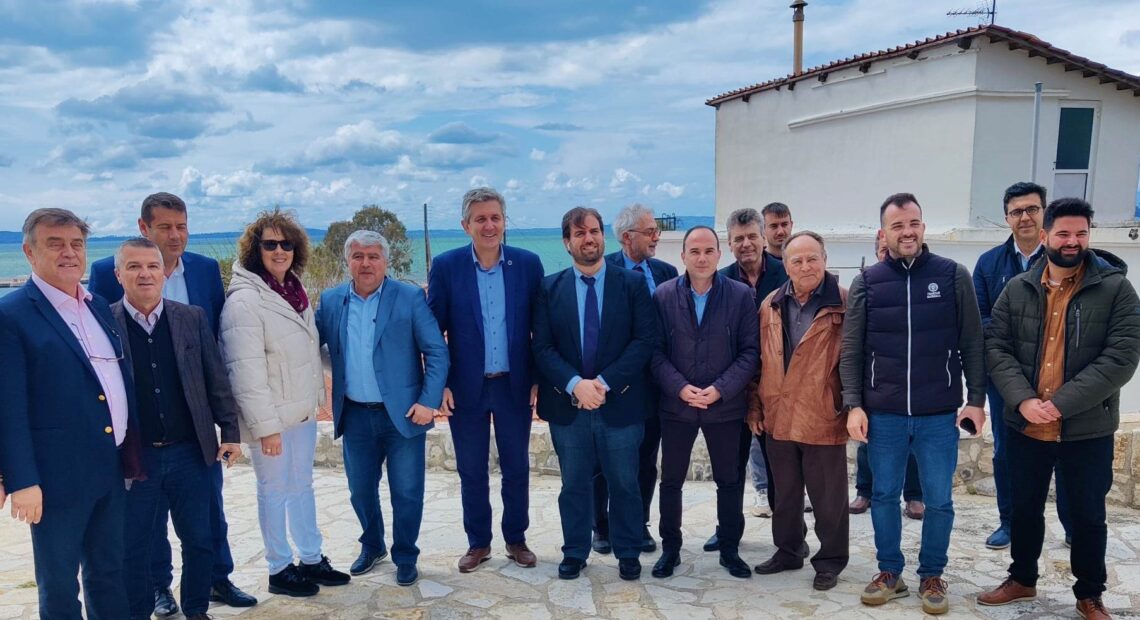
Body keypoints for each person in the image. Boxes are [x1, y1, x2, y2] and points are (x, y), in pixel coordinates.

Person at [88, 192, 253, 613]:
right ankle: (150, 601)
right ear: (119, 274)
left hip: (191, 450)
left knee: (201, 536)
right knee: (138, 543)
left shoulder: (191, 315)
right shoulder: (104, 323)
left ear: (164, 271)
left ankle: (198, 607)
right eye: (134, 267)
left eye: (152, 267)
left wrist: (229, 431)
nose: (145, 274)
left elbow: (215, 377)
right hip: (135, 453)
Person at [977, 198, 1140, 620]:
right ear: (1045, 234)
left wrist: (1058, 405)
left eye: (1081, 233)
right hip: (1026, 425)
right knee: (1024, 508)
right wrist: (1024, 401)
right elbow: (996, 347)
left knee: (1087, 515)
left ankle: (1090, 594)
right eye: (1064, 233)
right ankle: (1022, 579)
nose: (1073, 241)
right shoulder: (1018, 288)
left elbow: (1121, 357)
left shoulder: (1117, 289)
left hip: (1087, 428)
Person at [841, 193, 987, 615]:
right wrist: (854, 404)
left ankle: (932, 575)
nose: (907, 232)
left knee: (939, 500)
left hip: (937, 414)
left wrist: (976, 400)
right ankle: (890, 572)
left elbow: (973, 342)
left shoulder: (952, 275)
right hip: (883, 413)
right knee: (884, 495)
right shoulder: (867, 282)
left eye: (914, 223)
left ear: (923, 226)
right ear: (883, 233)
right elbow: (851, 350)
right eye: (898, 226)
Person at [0, 208, 143, 619]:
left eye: (76, 244)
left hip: (109, 467)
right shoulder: (11, 316)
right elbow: (8, 406)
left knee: (109, 573)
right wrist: (22, 481)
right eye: (55, 243)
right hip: (55, 478)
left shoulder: (98, 307)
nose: (69, 252)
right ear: (29, 252)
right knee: (60, 584)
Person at [220, 209, 350, 597]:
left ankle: (311, 558)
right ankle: (279, 568)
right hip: (272, 419)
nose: (280, 251)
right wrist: (266, 428)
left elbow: (307, 349)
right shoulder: (245, 300)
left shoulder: (292, 290)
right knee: (273, 490)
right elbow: (244, 371)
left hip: (301, 412)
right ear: (254, 249)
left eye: (287, 243)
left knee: (301, 486)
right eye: (270, 244)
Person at [532, 206, 659, 581]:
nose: (588, 238)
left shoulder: (632, 284)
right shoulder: (548, 288)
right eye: (579, 233)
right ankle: (574, 551)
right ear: (566, 242)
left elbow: (644, 340)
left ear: (603, 236)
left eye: (594, 231)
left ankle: (628, 551)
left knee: (625, 483)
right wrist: (576, 384)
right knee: (573, 485)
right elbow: (542, 347)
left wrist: (602, 383)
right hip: (568, 406)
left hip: (620, 402)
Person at [316, 230, 449, 588]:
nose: (366, 263)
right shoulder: (331, 301)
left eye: (373, 256)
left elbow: (436, 352)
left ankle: (405, 555)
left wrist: (428, 402)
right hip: (355, 415)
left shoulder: (409, 297)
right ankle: (372, 545)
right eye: (358, 256)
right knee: (360, 490)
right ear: (347, 261)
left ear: (386, 261)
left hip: (404, 415)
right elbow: (312, 346)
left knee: (407, 492)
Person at [427, 187, 544, 572]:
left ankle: (516, 539)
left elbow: (541, 328)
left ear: (504, 222)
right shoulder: (446, 267)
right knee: (472, 469)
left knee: (517, 468)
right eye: (481, 219)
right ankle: (479, 543)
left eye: (495, 217)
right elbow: (433, 332)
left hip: (514, 385)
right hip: (466, 388)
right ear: (466, 225)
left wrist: (537, 378)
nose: (489, 225)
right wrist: (440, 383)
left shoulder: (528, 265)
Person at [649, 226, 758, 579]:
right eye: (694, 251)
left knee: (730, 480)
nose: (701, 258)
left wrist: (720, 389)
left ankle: (729, 549)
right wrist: (680, 388)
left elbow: (750, 352)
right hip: (677, 406)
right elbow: (654, 352)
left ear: (719, 254)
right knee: (671, 482)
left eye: (709, 251)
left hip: (724, 406)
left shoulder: (740, 296)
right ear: (682, 256)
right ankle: (670, 549)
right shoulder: (663, 296)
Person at [971, 181, 1069, 551]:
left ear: (1044, 213)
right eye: (1016, 211)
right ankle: (1009, 522)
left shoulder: (1064, 257)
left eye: (1032, 209)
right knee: (1005, 452)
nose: (1024, 217)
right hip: (1005, 377)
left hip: (1058, 373)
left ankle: (1072, 524)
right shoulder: (989, 264)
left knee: (1064, 450)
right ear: (1007, 218)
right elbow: (981, 320)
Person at [750, 231, 849, 591]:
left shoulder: (845, 303)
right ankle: (789, 550)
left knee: (829, 499)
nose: (806, 266)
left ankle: (831, 560)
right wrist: (754, 405)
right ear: (786, 265)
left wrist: (852, 407)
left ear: (825, 260)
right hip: (777, 414)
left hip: (823, 413)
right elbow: (758, 361)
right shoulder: (770, 305)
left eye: (812, 258)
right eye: (797, 260)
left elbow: (855, 360)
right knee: (785, 495)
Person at [594, 203, 677, 554]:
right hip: (612, 383)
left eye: (656, 230)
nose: (657, 236)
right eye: (650, 231)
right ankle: (601, 527)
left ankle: (638, 523)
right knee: (604, 461)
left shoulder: (667, 272)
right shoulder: (604, 270)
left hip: (654, 385)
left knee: (645, 460)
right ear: (628, 237)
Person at [707, 207, 787, 552]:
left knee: (782, 469)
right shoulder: (719, 280)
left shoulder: (786, 273)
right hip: (734, 390)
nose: (746, 244)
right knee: (731, 469)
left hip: (779, 390)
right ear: (729, 243)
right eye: (738, 239)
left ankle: (788, 538)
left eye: (752, 236)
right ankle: (728, 531)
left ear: (763, 237)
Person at [850, 230, 924, 520]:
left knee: (914, 445)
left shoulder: (918, 283)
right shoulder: (866, 285)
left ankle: (914, 496)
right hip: (875, 380)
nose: (886, 255)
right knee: (866, 442)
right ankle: (864, 491)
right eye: (881, 251)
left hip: (914, 382)